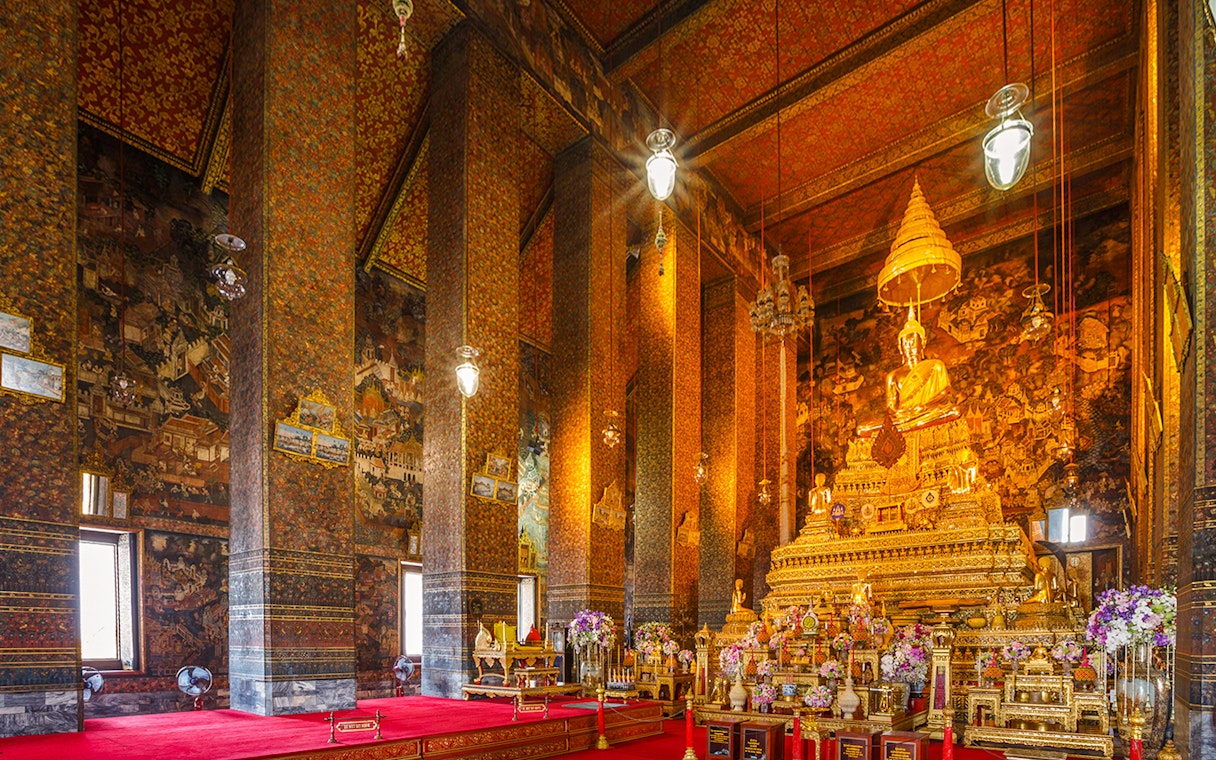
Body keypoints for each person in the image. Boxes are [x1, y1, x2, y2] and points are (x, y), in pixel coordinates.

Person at [884, 308, 956, 429]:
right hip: (904, 417)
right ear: (900, 347)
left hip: (928, 412)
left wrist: (924, 406)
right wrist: (904, 413)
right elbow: (891, 408)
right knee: (862, 429)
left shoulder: (935, 365)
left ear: (923, 342)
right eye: (905, 342)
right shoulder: (893, 376)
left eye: (913, 341)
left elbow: (945, 392)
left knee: (954, 411)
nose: (909, 346)